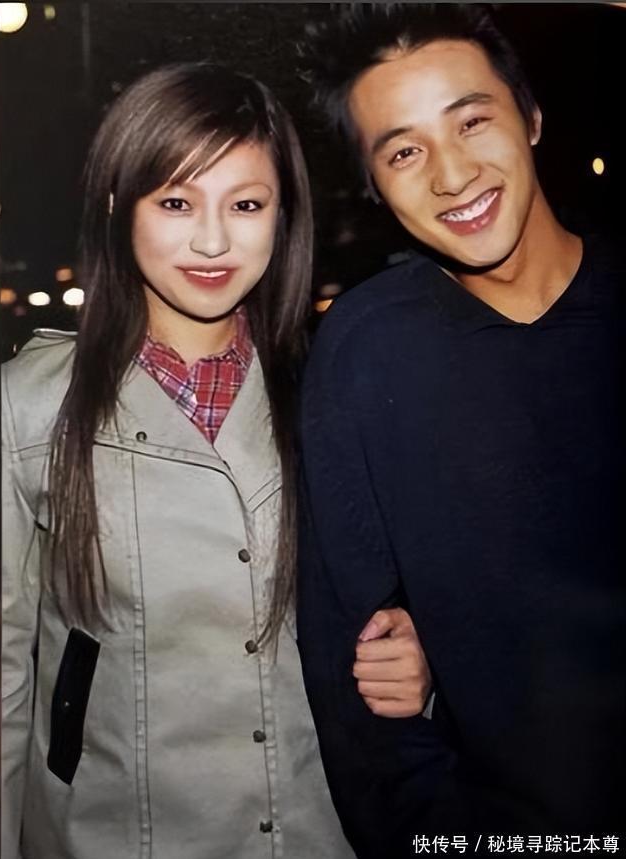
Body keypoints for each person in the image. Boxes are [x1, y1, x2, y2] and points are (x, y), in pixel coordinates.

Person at [1, 62, 431, 859]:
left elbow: (416, 599)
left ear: (283, 215)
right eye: (175, 202)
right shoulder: (30, 405)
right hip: (109, 833)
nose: (211, 240)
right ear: (115, 204)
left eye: (246, 204)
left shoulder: (336, 389)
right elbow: (1, 676)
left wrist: (416, 655)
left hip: (314, 827)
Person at [296, 5, 625, 855]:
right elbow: (353, 667)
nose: (452, 174)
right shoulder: (366, 352)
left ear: (532, 115)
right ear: (374, 184)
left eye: (472, 121)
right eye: (403, 151)